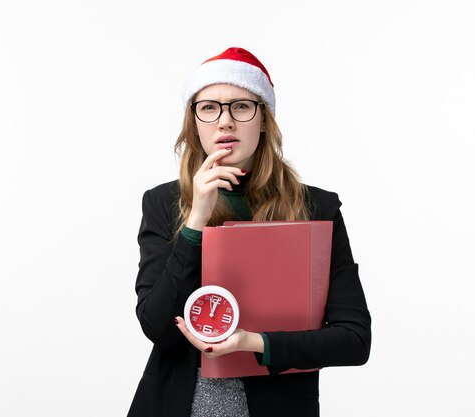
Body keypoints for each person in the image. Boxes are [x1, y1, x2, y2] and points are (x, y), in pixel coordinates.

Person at [127, 47, 371, 417]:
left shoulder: (318, 208)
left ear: (263, 120)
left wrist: (254, 343)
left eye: (241, 106)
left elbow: (354, 340)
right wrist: (195, 221)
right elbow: (158, 327)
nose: (225, 121)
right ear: (194, 123)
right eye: (208, 107)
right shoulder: (164, 203)